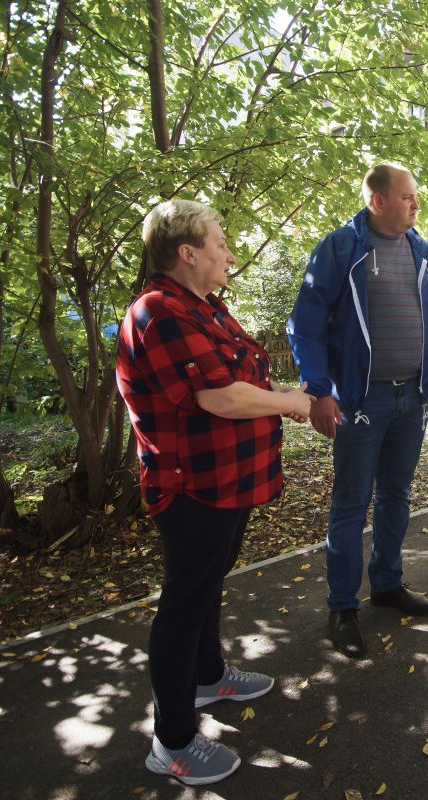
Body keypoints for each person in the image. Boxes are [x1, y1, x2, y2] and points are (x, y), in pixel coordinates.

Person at [117, 199, 315, 786]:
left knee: (206, 585)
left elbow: (244, 377)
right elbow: (221, 397)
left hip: (227, 483)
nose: (229, 253)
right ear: (188, 252)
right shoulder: (160, 314)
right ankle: (172, 740)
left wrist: (283, 390)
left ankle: (208, 677)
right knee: (183, 604)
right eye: (219, 242)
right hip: (192, 489)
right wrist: (291, 401)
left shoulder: (204, 307)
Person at [287, 162, 428, 659]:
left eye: (416, 197)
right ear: (377, 200)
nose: (416, 205)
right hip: (363, 400)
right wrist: (319, 390)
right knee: (351, 502)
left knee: (397, 494)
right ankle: (343, 605)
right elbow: (307, 324)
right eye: (407, 197)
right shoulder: (341, 248)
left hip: (413, 397)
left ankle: (387, 583)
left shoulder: (419, 249)